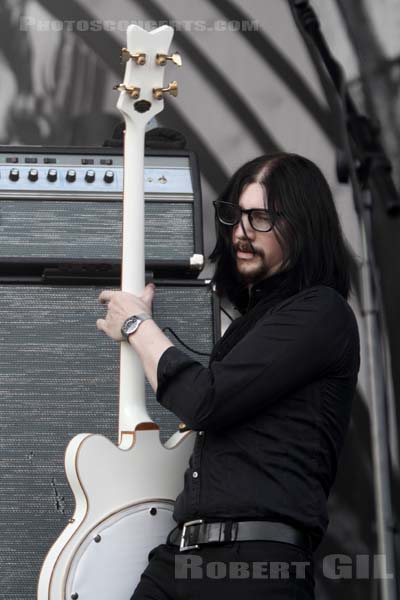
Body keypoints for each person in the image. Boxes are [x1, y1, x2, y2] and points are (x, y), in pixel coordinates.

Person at [96, 153, 360, 599]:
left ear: (303, 226)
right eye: (234, 215)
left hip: (255, 565)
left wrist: (137, 326)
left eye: (259, 218)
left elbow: (206, 400)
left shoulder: (322, 313)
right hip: (181, 557)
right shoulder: (252, 324)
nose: (240, 232)